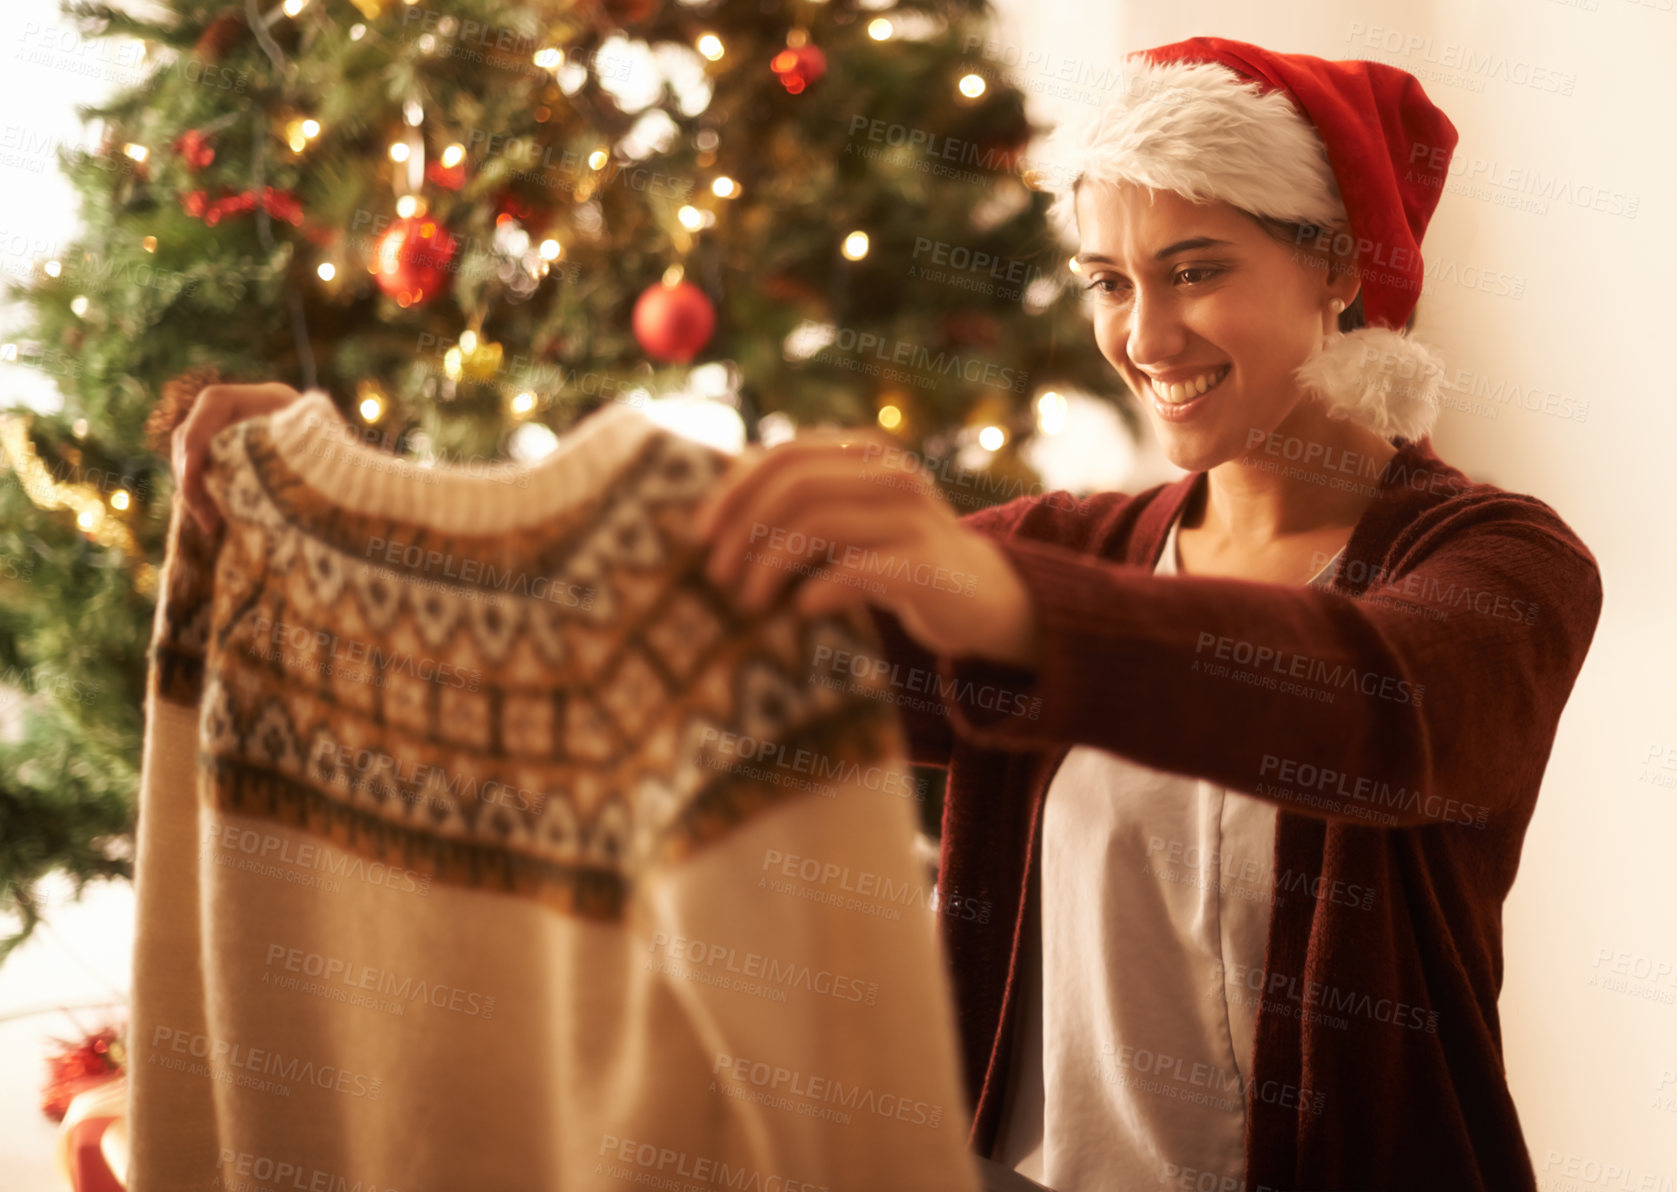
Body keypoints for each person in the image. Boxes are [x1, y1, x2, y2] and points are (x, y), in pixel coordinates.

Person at [171, 37, 1603, 1192]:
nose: (1144, 340)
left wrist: (1008, 615)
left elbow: (1374, 708)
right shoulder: (1070, 547)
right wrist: (345, 501)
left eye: (1196, 271)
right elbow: (669, 614)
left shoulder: (1496, 561)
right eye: (1108, 282)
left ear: (1341, 263)